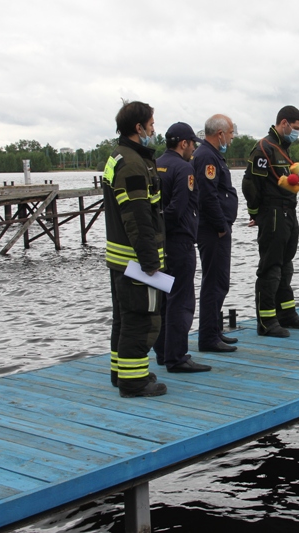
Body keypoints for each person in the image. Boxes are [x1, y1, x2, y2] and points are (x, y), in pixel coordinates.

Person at [102, 100, 167, 397]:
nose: (154, 130)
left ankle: (123, 372)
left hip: (120, 258)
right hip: (136, 259)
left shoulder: (118, 156)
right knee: (143, 318)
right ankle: (134, 382)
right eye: (151, 125)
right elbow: (138, 217)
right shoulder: (132, 163)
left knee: (124, 318)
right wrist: (150, 261)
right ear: (138, 127)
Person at [242, 105, 299, 337]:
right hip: (272, 213)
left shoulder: (283, 148)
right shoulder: (264, 148)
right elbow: (250, 184)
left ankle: (286, 313)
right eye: (294, 128)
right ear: (283, 123)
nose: (296, 133)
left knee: (286, 264)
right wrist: (256, 213)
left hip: (289, 212)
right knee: (271, 267)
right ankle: (267, 321)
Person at [153, 122, 212, 373]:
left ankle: (162, 352)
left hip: (158, 244)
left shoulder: (154, 165)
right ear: (184, 143)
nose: (192, 150)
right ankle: (177, 357)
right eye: (191, 145)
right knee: (181, 300)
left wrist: (156, 228)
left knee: (162, 300)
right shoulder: (184, 168)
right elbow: (178, 208)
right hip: (180, 243)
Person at [193, 114, 239, 353]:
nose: (231, 138)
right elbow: (207, 196)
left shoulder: (212, 155)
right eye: (230, 133)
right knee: (214, 282)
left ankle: (214, 330)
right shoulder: (207, 157)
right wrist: (222, 226)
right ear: (220, 133)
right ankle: (208, 337)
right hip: (213, 231)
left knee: (220, 281)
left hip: (217, 228)